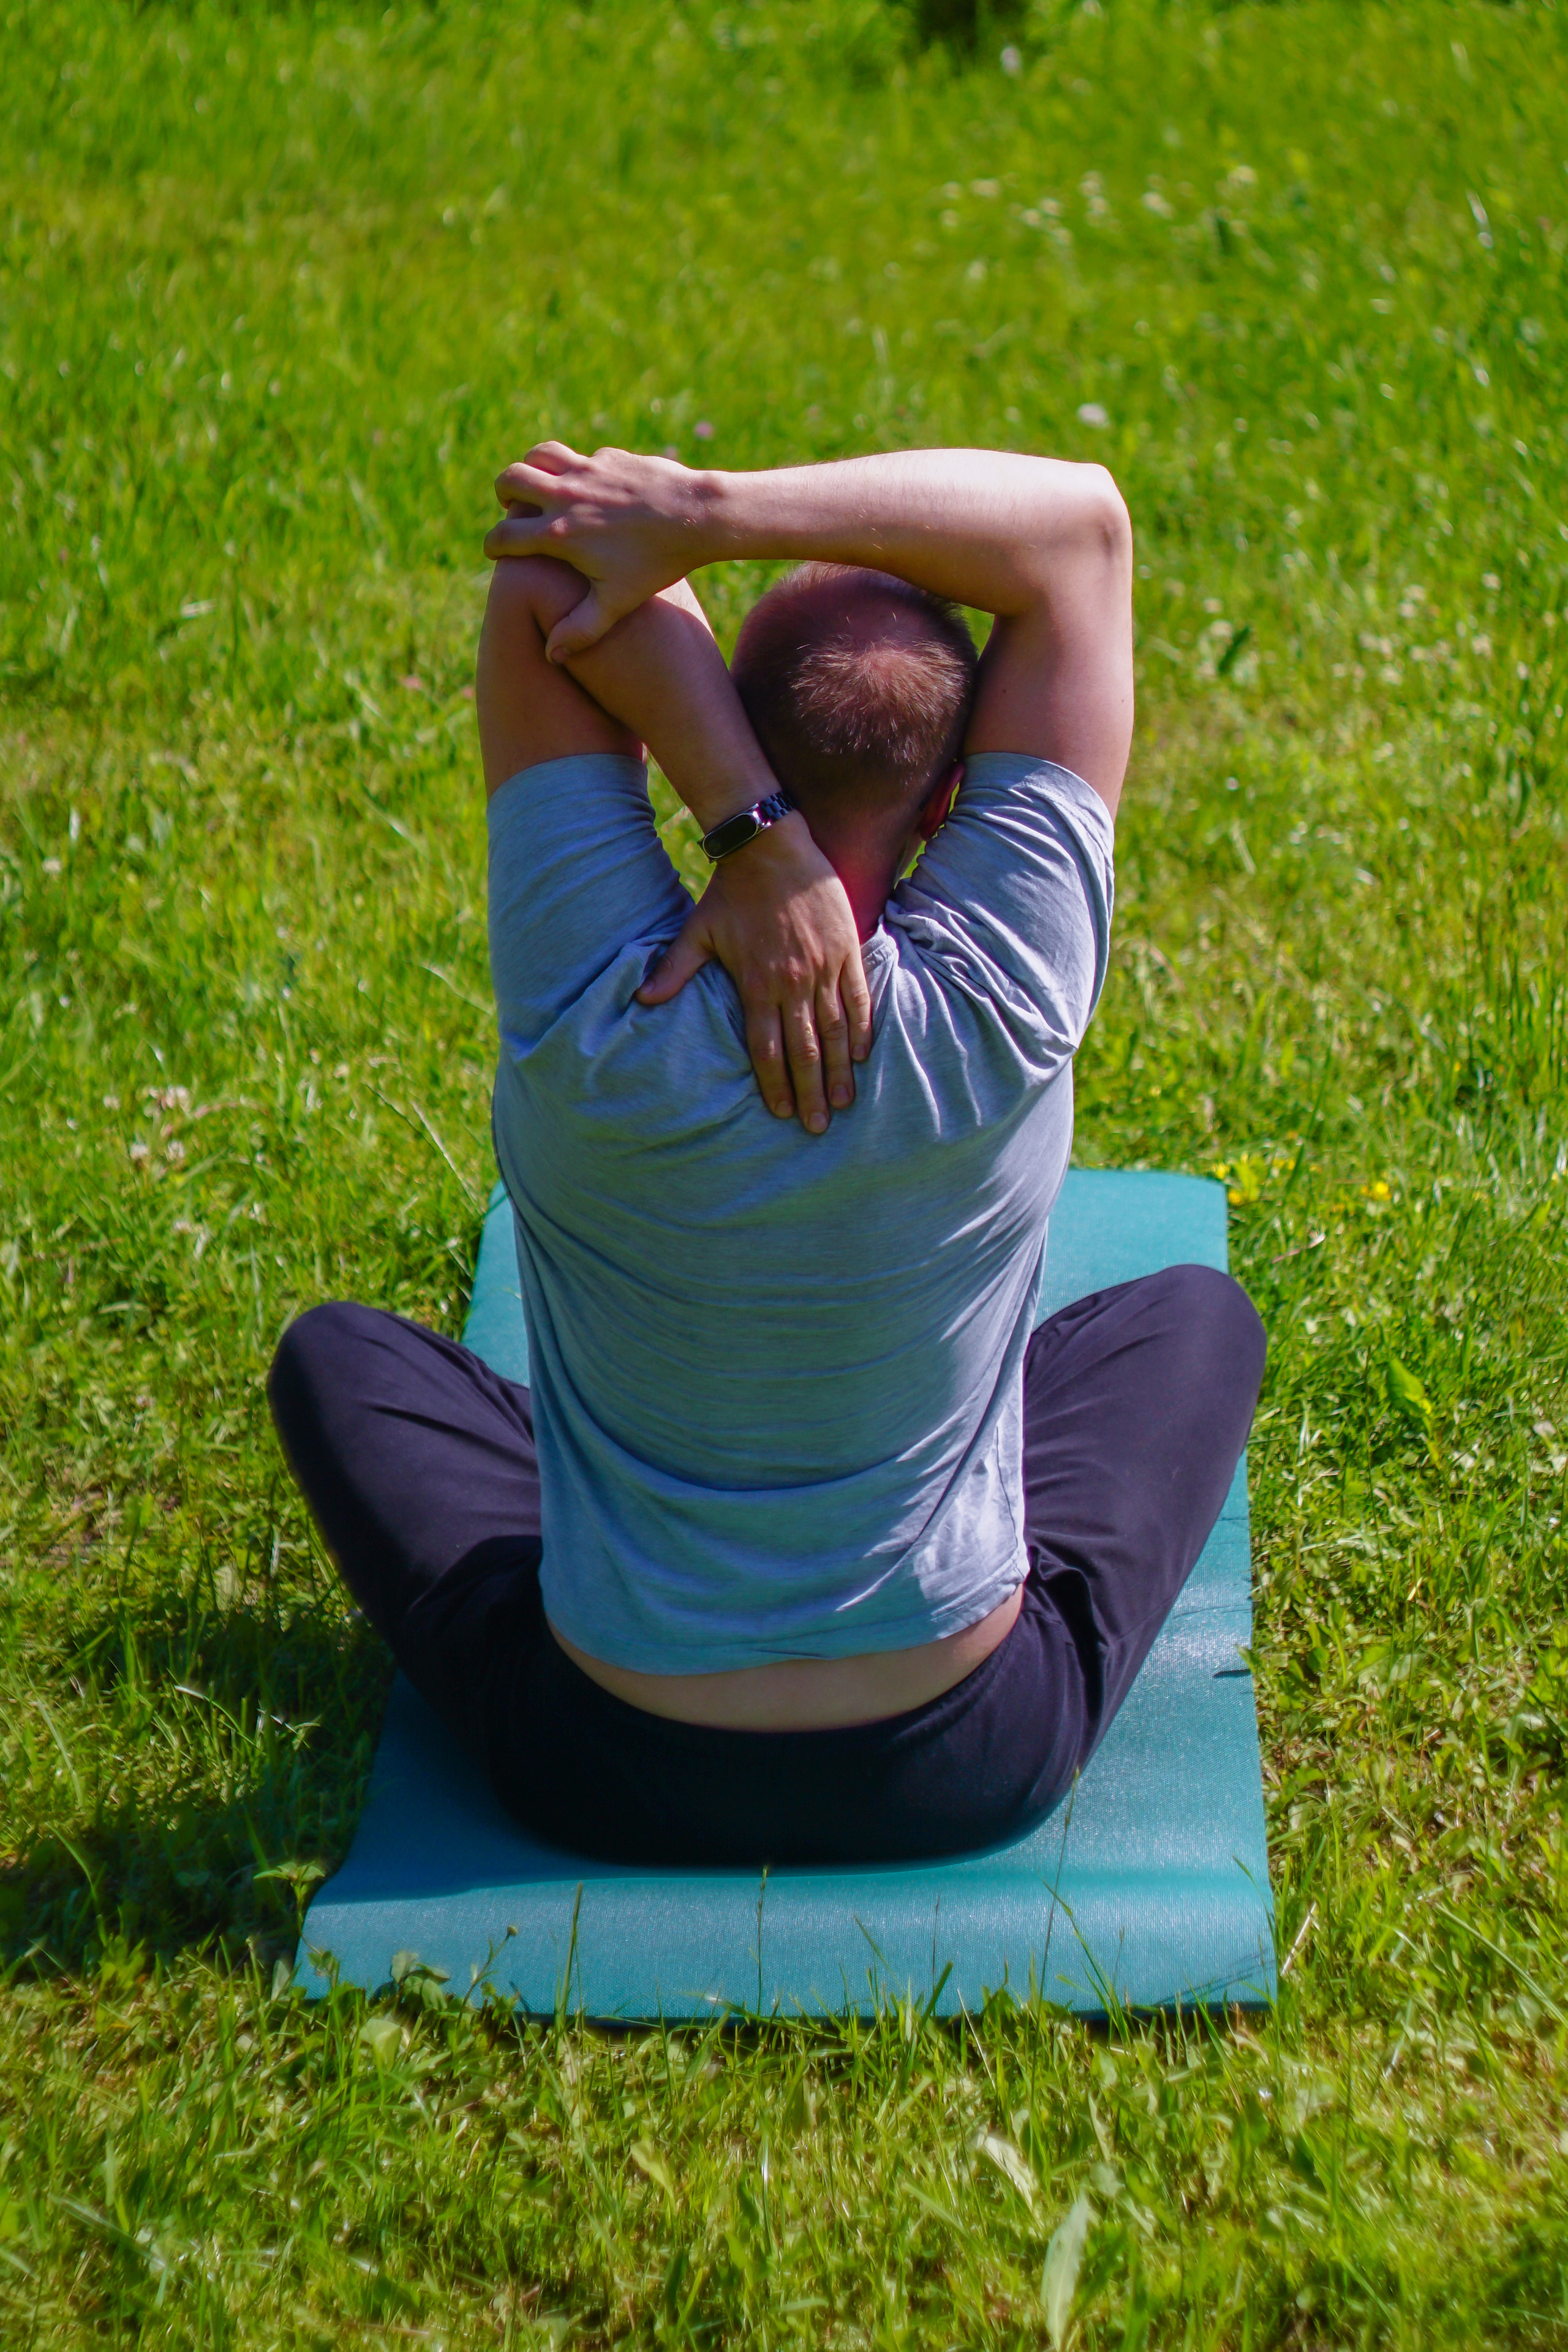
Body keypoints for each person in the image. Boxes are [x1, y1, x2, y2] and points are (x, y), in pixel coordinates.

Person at [268, 444, 1265, 1866]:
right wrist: (717, 512)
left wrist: (753, 828)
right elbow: (1081, 531)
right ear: (949, 804)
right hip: (966, 1752)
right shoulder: (1004, 994)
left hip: (604, 1760)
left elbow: (550, 560)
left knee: (342, 1359)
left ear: (701, 732)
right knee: (1190, 1320)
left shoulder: (592, 1005)